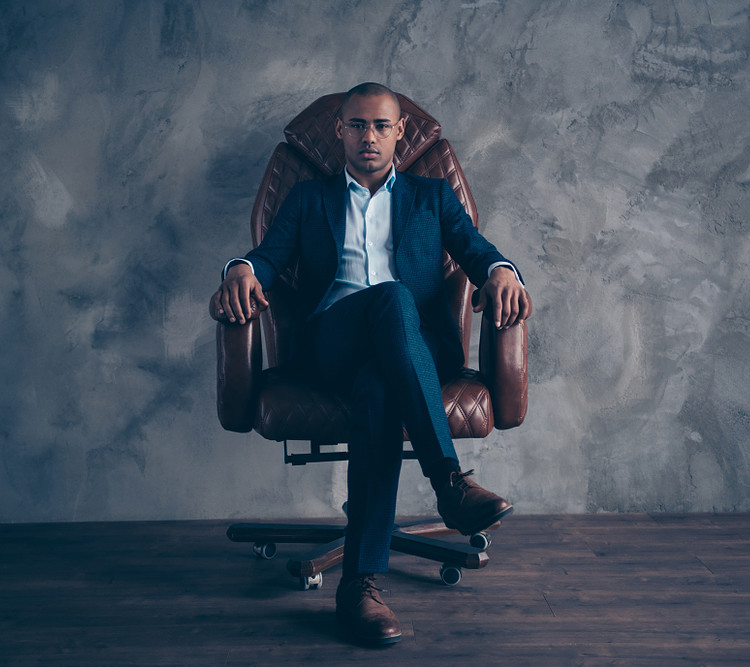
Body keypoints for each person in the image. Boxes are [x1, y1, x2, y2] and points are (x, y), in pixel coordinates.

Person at [212, 82, 532, 646]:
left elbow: (476, 248)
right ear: (340, 131)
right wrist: (240, 267)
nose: (369, 137)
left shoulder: (432, 197)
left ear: (400, 133)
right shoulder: (309, 200)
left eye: (382, 126)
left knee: (382, 380)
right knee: (390, 298)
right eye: (357, 125)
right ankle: (449, 481)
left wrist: (503, 269)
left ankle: (359, 585)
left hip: (412, 348)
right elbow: (266, 256)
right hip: (332, 342)